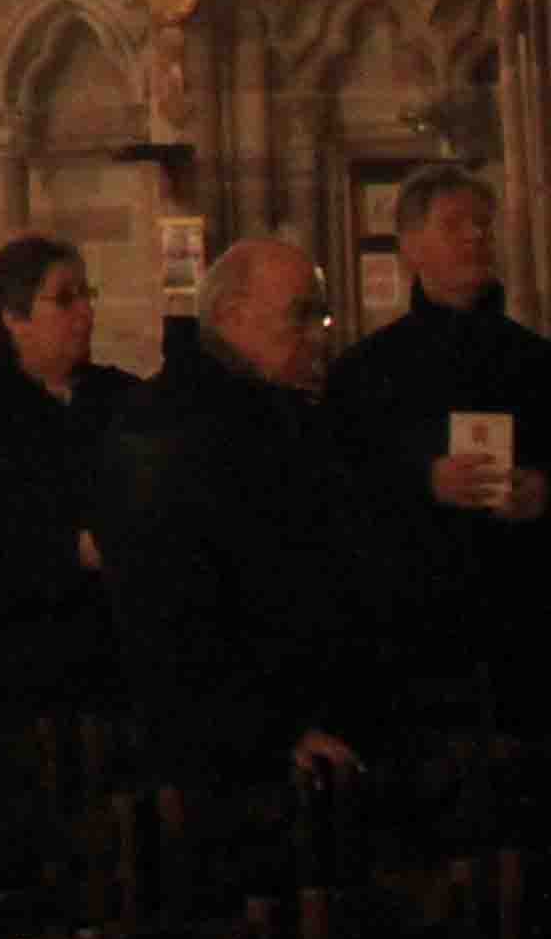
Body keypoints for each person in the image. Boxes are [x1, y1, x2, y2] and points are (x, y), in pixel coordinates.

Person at [325, 165, 551, 741]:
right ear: (411, 245)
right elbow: (334, 492)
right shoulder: (365, 373)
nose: (475, 237)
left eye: (482, 225)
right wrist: (423, 483)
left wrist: (548, 492)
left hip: (527, 639)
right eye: (454, 225)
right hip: (410, 651)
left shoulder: (541, 365)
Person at [96, 238, 375, 848]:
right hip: (229, 761)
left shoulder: (288, 417)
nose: (317, 334)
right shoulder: (166, 429)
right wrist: (270, 729)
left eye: (321, 315)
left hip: (310, 735)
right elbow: (171, 611)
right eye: (300, 313)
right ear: (230, 315)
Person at [0, 235, 132, 912]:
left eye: (86, 296)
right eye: (63, 299)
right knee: (37, 894)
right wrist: (71, 554)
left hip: (119, 679)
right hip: (18, 694)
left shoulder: (120, 403)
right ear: (13, 316)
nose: (84, 314)